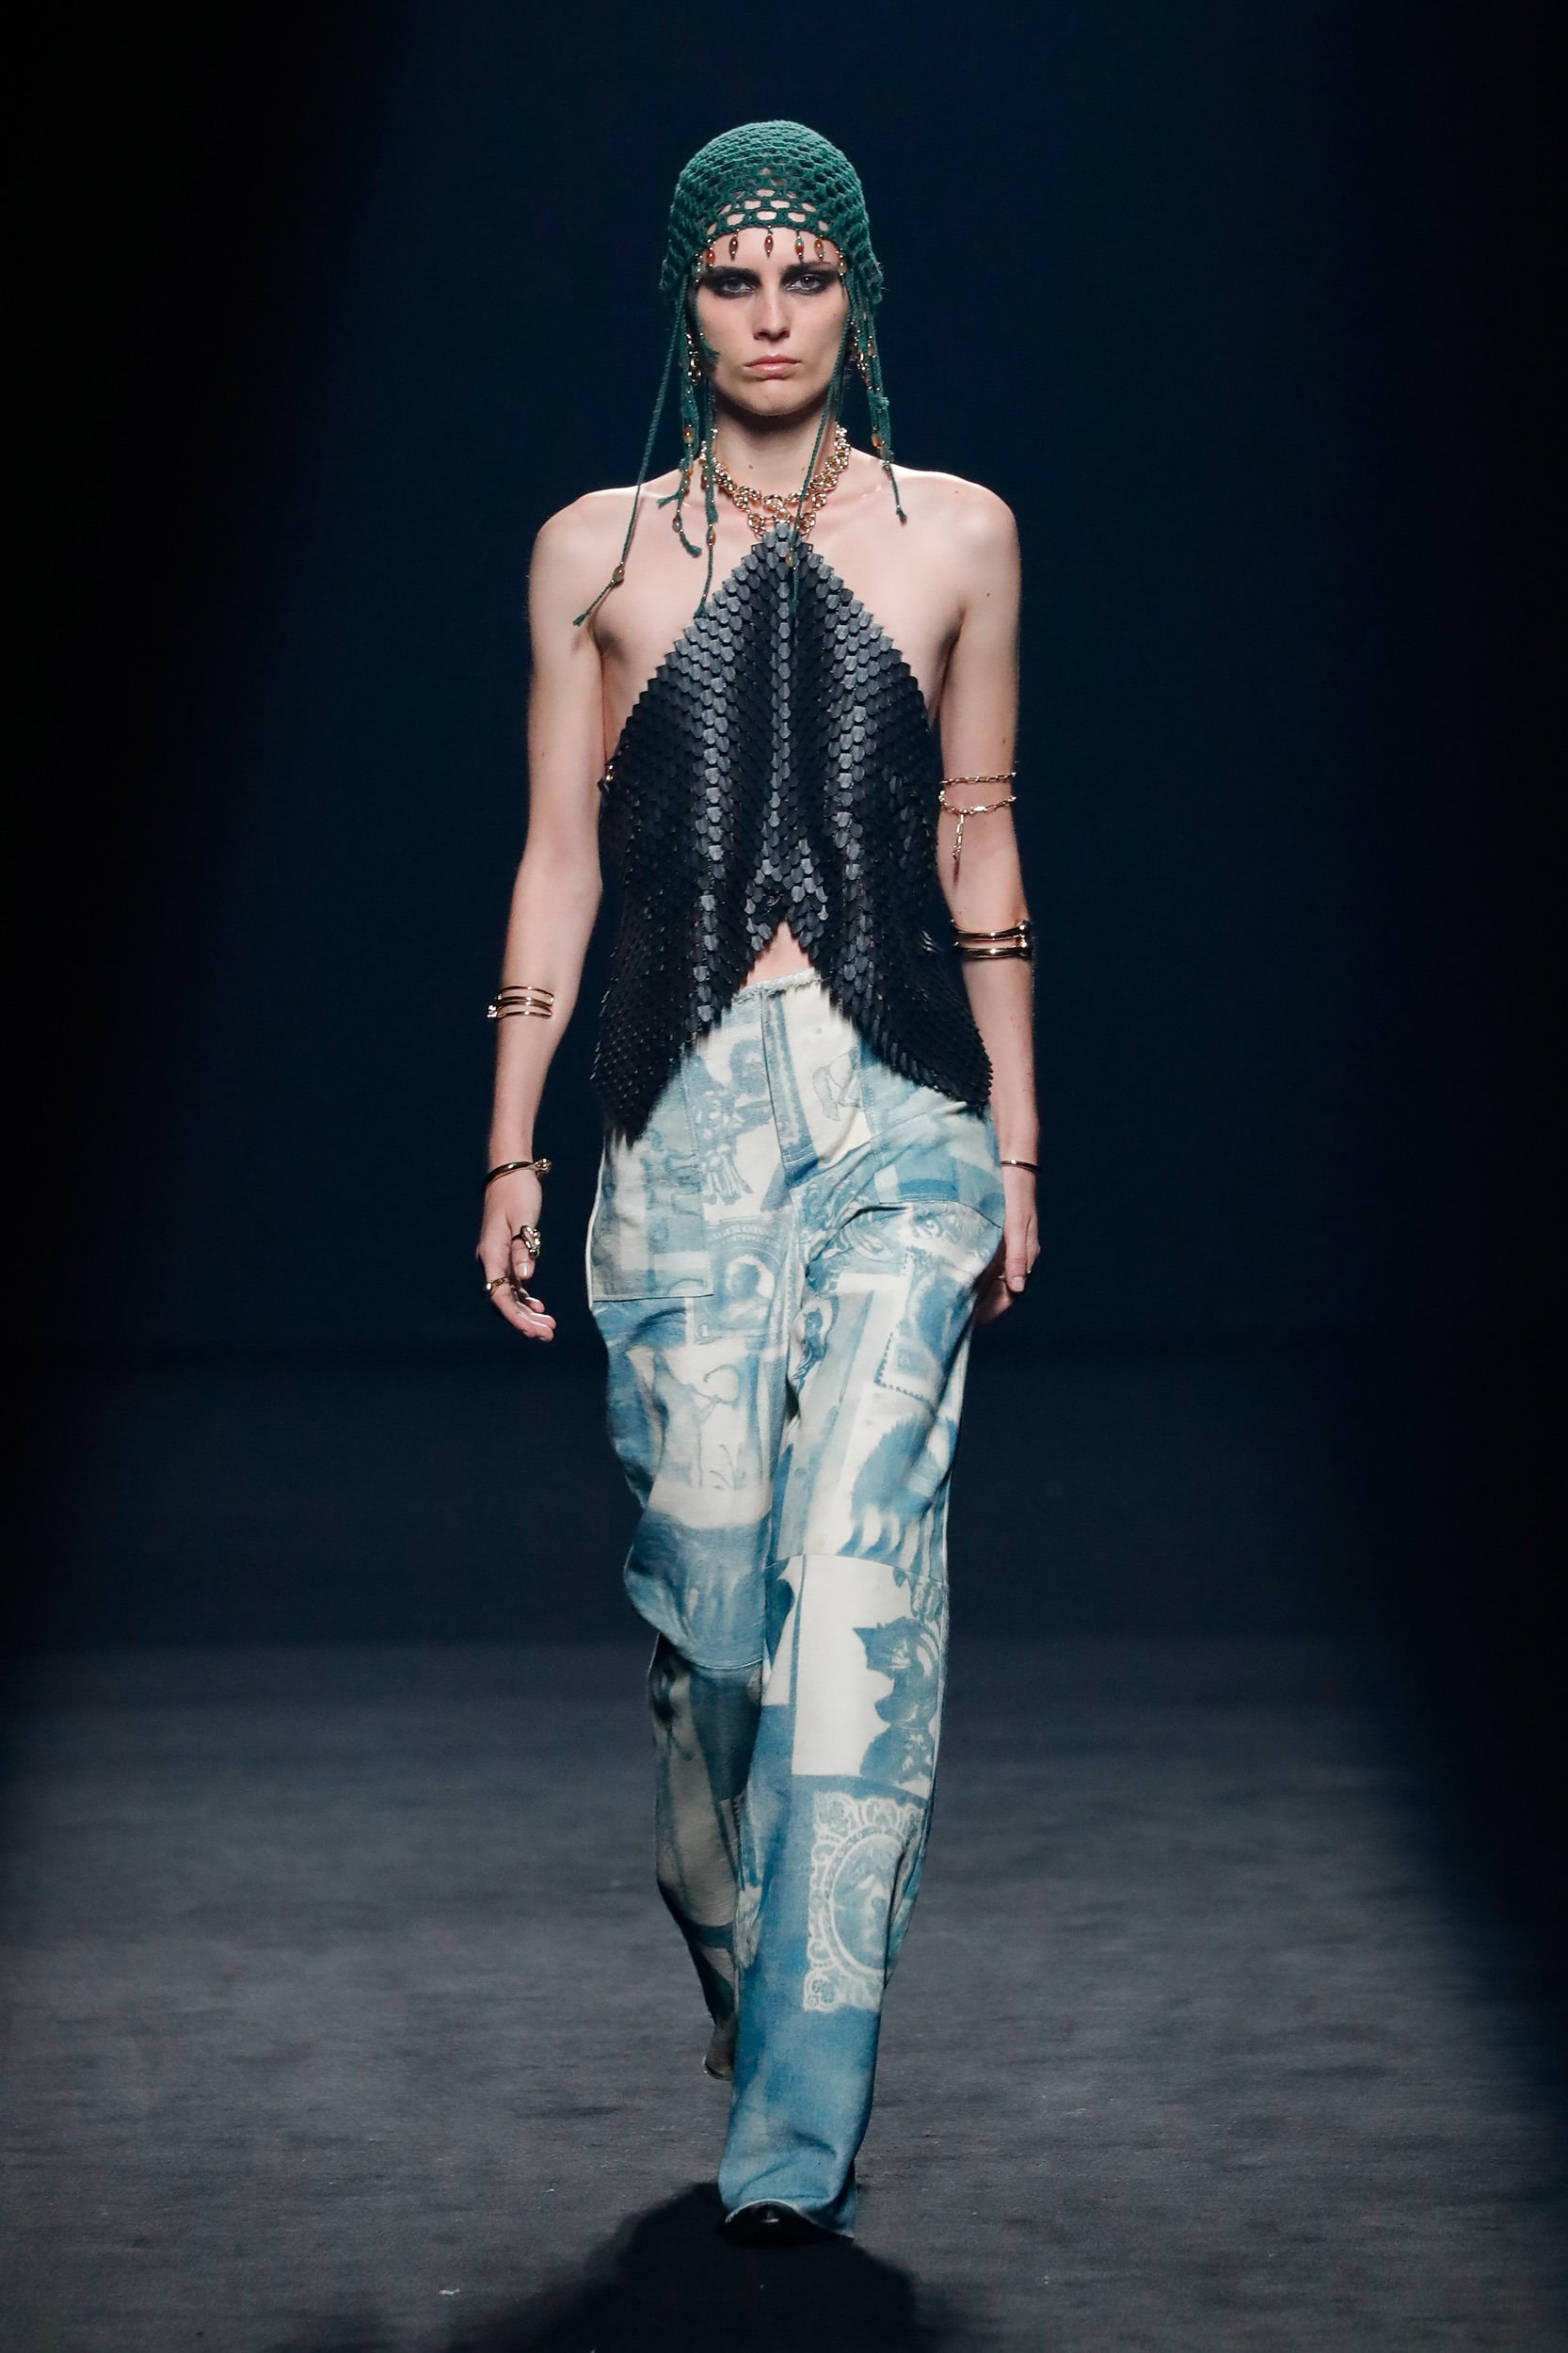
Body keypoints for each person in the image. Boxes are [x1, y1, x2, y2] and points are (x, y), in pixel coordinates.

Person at [477, 120, 1038, 2246]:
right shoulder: (592, 551)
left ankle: (795, 2130)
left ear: (858, 296)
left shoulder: (959, 533)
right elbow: (559, 856)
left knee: (862, 1611)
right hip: (680, 1121)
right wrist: (511, 1134)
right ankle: (721, 1904)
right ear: (684, 299)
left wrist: (1015, 1139)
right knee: (716, 1613)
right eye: (736, 277)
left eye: (809, 275)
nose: (774, 313)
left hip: (901, 1118)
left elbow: (978, 837)